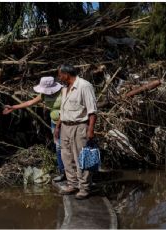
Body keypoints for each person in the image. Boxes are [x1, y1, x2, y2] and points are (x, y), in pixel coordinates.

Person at [2, 76, 65, 182]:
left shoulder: (64, 92)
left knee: (67, 148)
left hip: (66, 123)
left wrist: (58, 127)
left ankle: (73, 173)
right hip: (54, 123)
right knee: (59, 148)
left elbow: (66, 110)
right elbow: (29, 103)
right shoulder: (44, 94)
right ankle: (63, 173)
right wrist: (13, 107)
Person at [54, 64, 97, 200]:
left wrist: (90, 129)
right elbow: (63, 110)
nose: (59, 78)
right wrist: (58, 126)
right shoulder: (65, 89)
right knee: (66, 156)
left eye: (60, 75)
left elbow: (92, 111)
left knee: (82, 158)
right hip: (65, 127)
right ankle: (72, 184)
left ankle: (84, 187)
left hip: (80, 126)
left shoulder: (84, 86)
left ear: (66, 74)